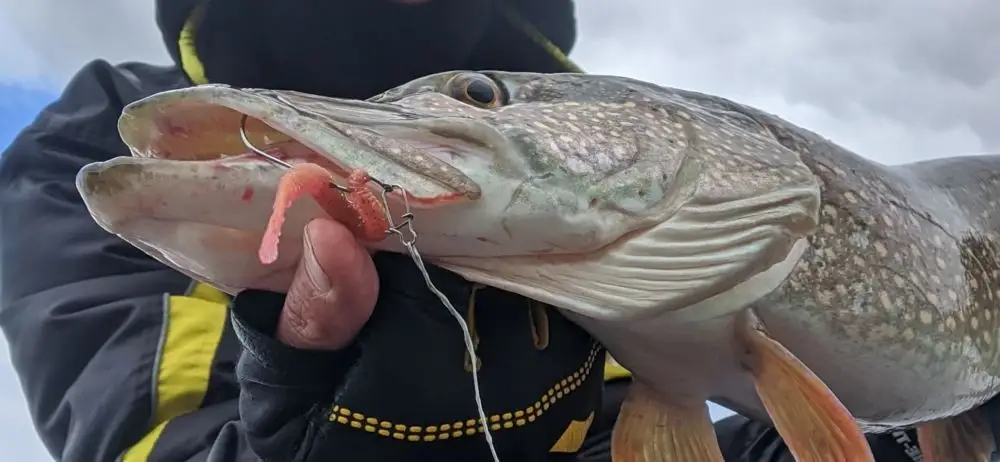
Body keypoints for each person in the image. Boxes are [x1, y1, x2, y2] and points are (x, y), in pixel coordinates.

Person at [0, 0, 956, 460]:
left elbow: (686, 426)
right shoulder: (97, 133)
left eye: (477, 99)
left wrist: (918, 440)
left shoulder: (607, 161)